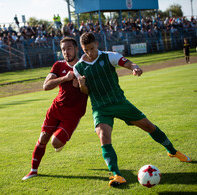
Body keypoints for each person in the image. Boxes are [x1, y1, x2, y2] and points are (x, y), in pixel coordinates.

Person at [73, 32, 192, 187]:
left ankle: (172, 150)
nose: (89, 52)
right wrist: (82, 85)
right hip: (100, 108)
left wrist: (134, 67)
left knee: (149, 126)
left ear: (97, 44)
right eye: (86, 50)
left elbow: (128, 63)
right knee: (104, 136)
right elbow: (85, 92)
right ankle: (117, 175)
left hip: (119, 102)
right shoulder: (78, 67)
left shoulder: (109, 56)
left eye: (92, 48)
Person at [22, 37, 88, 181]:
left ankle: (64, 136)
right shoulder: (58, 66)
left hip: (73, 113)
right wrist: (65, 78)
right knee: (42, 138)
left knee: (55, 143)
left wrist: (81, 86)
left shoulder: (85, 66)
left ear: (76, 49)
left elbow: (90, 91)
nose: (66, 51)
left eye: (69, 48)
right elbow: (46, 86)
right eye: (63, 49)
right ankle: (33, 171)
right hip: (56, 109)